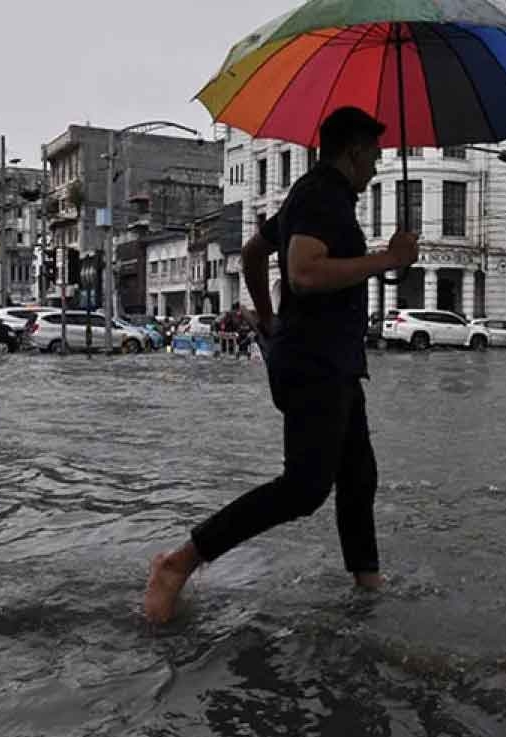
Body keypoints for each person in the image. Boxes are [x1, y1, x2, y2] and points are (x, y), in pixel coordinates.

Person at [143, 107, 419, 624]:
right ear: (355, 152)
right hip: (316, 361)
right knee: (305, 487)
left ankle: (368, 586)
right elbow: (305, 273)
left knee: (359, 477)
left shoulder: (312, 194)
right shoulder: (323, 196)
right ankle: (178, 563)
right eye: (376, 156)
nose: (379, 167)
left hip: (329, 359)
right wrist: (387, 259)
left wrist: (269, 321)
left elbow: (251, 253)